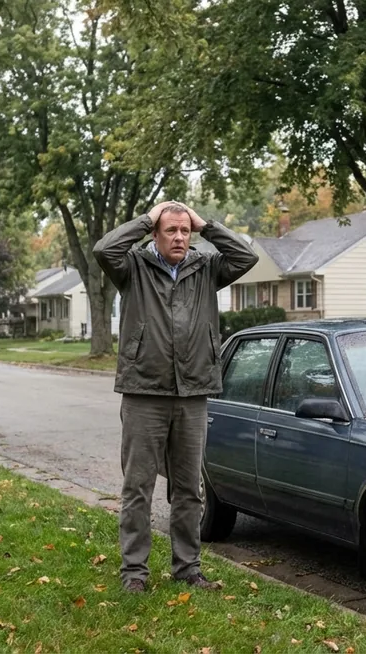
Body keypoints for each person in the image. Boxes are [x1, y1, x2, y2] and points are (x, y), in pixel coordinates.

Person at [94, 200, 259, 593]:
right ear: (155, 233)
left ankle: (187, 568)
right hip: (143, 391)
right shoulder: (132, 267)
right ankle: (134, 572)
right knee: (138, 487)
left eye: (186, 231)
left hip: (193, 391)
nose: (180, 237)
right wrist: (148, 217)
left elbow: (247, 256)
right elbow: (103, 250)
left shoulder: (206, 268)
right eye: (171, 230)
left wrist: (207, 225)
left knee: (189, 488)